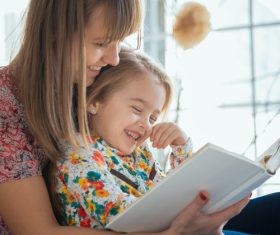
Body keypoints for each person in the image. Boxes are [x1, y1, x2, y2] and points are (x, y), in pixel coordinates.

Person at [0, 1, 274, 235]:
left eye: (120, 41)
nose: (115, 58)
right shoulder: (8, 105)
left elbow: (155, 183)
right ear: (55, 33)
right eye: (101, 43)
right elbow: (39, 231)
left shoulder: (93, 82)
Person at [52, 48, 251, 235]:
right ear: (94, 101)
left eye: (153, 118)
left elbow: (175, 193)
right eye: (137, 110)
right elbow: (122, 216)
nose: (145, 125)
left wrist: (181, 148)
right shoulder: (77, 156)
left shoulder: (140, 154)